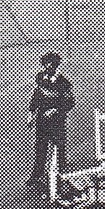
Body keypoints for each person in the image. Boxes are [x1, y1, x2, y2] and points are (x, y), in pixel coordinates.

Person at [28, 52, 74, 190]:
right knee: (40, 147)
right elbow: (36, 97)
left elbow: (70, 102)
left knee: (59, 148)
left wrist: (55, 110)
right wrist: (31, 113)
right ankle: (37, 175)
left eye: (51, 65)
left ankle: (61, 177)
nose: (47, 68)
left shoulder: (64, 83)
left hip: (57, 122)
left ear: (56, 65)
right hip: (42, 121)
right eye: (45, 65)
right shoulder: (40, 78)